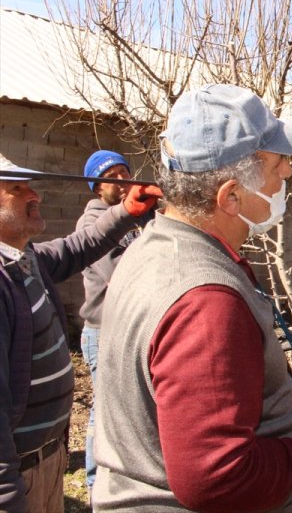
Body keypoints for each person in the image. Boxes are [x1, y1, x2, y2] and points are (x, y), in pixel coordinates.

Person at [93, 84, 292, 511]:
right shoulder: (205, 303)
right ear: (231, 196)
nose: (288, 174)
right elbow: (216, 478)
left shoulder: (156, 243)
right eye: (279, 163)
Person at [0, 153, 161, 513]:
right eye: (16, 189)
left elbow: (76, 248)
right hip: (18, 475)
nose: (34, 196)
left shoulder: (25, 259)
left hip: (46, 459)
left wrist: (126, 212)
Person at [76, 150, 156, 496]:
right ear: (97, 188)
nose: (123, 181)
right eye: (113, 177)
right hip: (103, 331)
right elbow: (121, 274)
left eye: (126, 173)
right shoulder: (92, 224)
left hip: (129, 329)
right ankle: (96, 480)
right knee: (106, 408)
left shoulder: (134, 220)